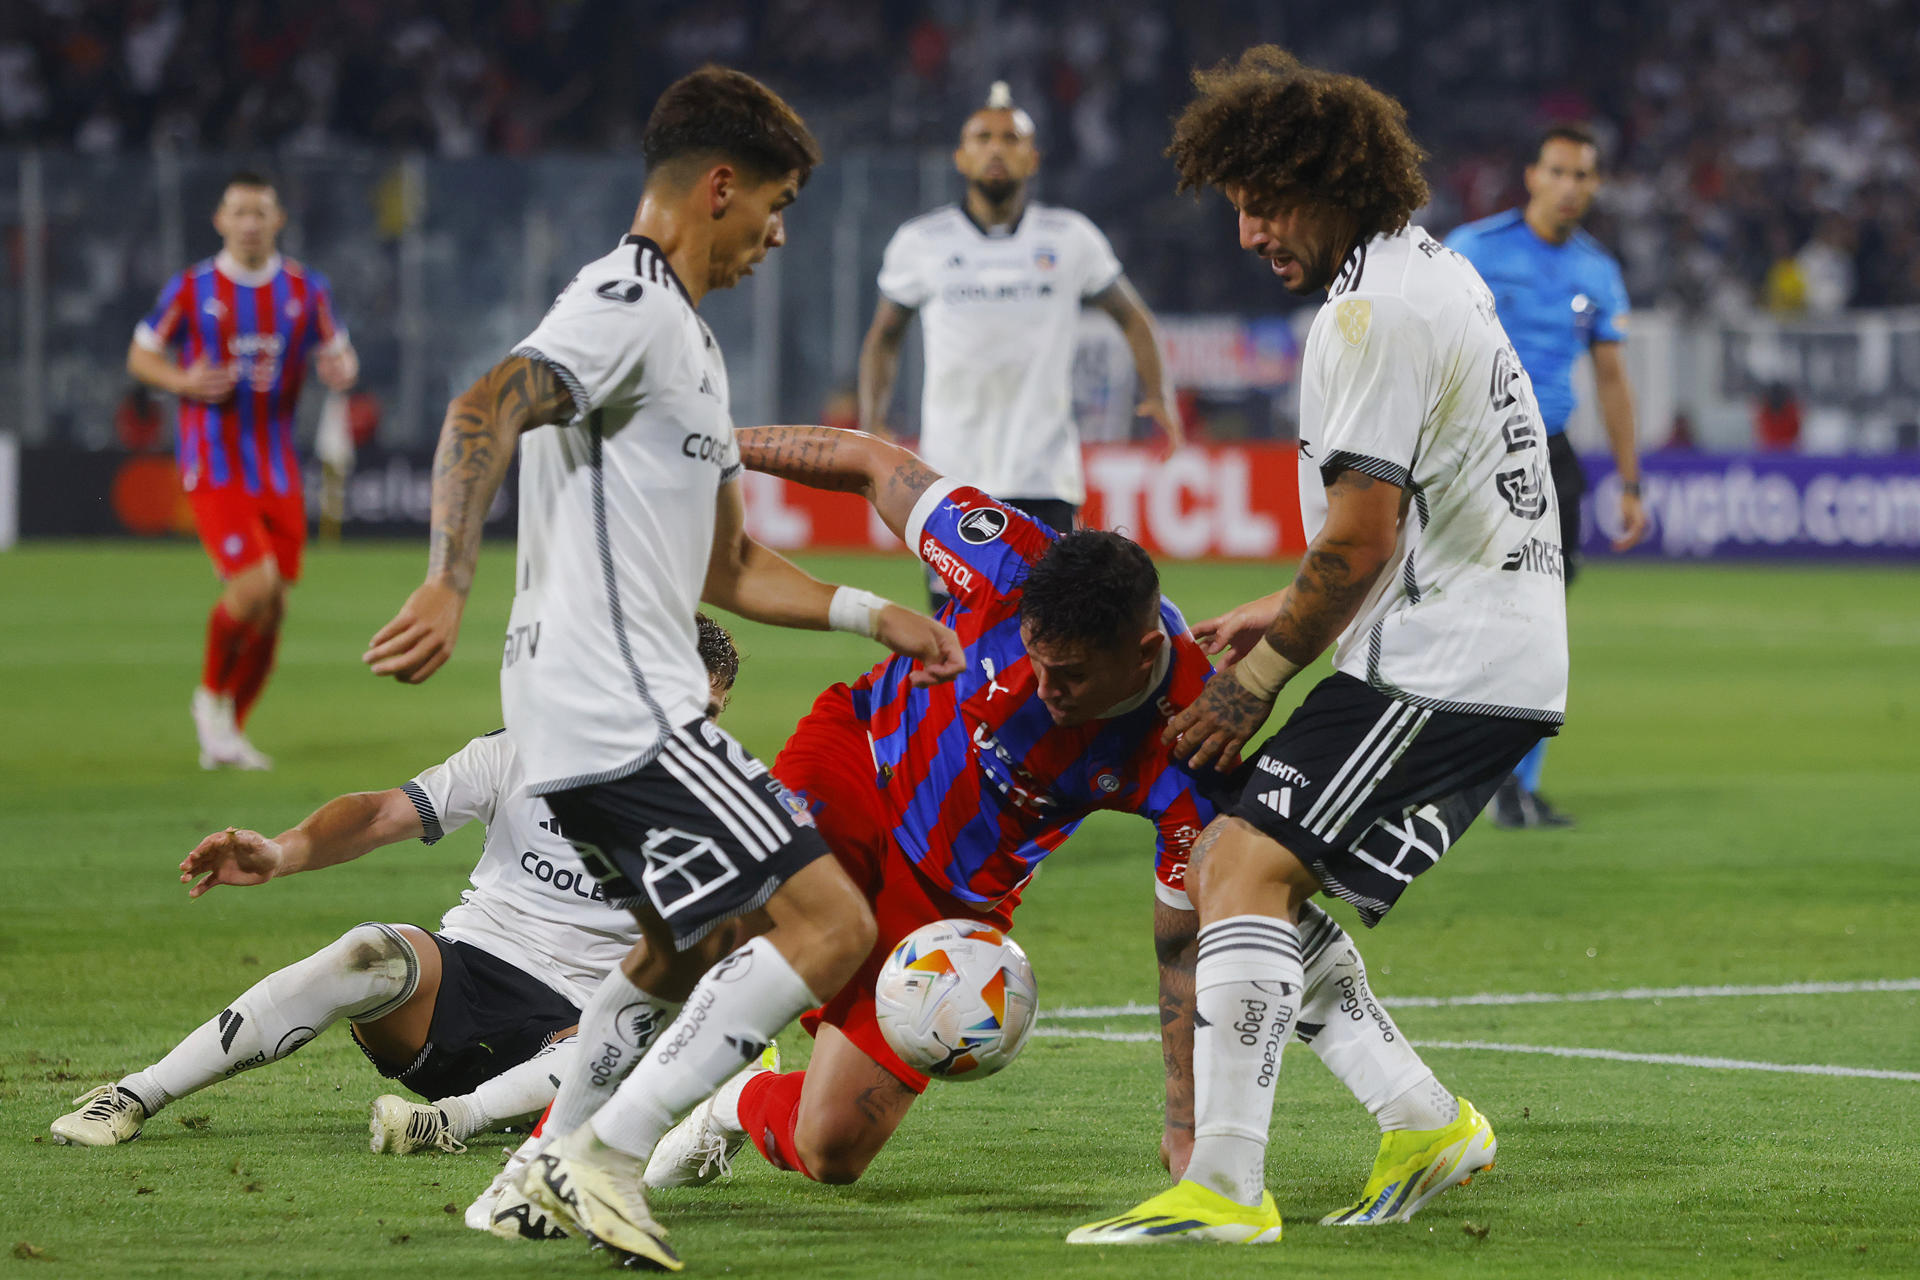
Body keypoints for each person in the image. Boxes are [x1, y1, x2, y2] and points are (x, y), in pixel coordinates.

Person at [469, 428, 1499, 1241]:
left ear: (1142, 651)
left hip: (955, 897)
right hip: (853, 763)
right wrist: (715, 445)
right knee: (745, 923)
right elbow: (874, 464)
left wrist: (1184, 1119)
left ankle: (731, 1103)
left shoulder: (1192, 735)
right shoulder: (1006, 557)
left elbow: (1182, 935)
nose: (1046, 689)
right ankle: (578, 1151)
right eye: (1036, 663)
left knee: (833, 1148)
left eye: (1072, 677)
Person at [362, 67, 962, 1273]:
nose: (779, 234)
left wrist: (869, 612)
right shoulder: (625, 299)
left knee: (684, 940)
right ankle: (608, 1154)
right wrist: (448, 578)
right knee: (830, 921)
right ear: (720, 187)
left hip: (593, 710)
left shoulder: (687, 343)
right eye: (777, 205)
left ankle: (539, 1165)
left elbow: (731, 562)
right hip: (625, 703)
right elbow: (488, 402)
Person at [1072, 47, 1568, 1246]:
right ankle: (1422, 1119)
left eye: (1265, 203)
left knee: (1235, 863)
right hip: (1465, 642)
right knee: (1247, 871)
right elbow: (1401, 516)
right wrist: (1272, 605)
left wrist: (1253, 679)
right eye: (1238, 205)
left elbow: (1356, 542)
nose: (1248, 233)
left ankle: (1227, 1188)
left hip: (1443, 659)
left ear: (1333, 180)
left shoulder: (1369, 310)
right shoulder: (1420, 271)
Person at [50, 617, 738, 1151]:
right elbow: (381, 813)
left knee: (623, 1030)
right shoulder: (526, 749)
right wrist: (282, 852)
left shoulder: (723, 811)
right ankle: (134, 1097)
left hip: (577, 1026)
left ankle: (446, 1124)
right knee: (368, 951)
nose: (691, 730)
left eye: (709, 715)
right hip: (462, 981)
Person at [859, 81, 1181, 608]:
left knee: (1050, 633)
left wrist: (1159, 394)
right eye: (982, 137)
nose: (996, 148)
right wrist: (873, 421)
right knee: (958, 638)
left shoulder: (1070, 237)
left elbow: (1134, 318)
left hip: (1044, 474)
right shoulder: (921, 242)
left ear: (1033, 158)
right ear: (961, 157)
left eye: (1010, 138)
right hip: (950, 478)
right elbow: (883, 336)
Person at [1446, 124, 1648, 828]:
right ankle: (1432, 767)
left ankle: (1515, 786)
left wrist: (1630, 482)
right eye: (1558, 171)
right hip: (1472, 451)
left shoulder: (1597, 270)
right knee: (1455, 611)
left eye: (1583, 175)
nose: (1570, 186)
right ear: (1532, 175)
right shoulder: (1474, 248)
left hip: (1551, 459)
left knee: (1541, 623)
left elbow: (1613, 380)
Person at [128, 171, 359, 772]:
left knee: (275, 606)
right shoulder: (191, 288)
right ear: (220, 220)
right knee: (253, 587)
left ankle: (230, 730)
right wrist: (181, 382)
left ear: (278, 220)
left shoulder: (307, 290)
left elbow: (339, 352)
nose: (250, 222)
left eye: (261, 212)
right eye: (239, 212)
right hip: (214, 461)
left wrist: (341, 369)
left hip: (277, 465)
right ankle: (208, 698)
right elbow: (140, 354)